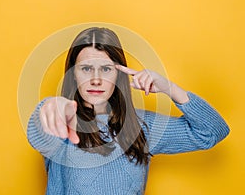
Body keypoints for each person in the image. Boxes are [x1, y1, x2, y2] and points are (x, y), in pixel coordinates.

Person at [27, 27, 229, 194]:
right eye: (86, 68)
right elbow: (38, 130)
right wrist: (50, 107)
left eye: (106, 69)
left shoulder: (141, 126)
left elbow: (212, 132)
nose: (96, 79)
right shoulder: (63, 124)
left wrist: (169, 88)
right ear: (73, 75)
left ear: (119, 75)